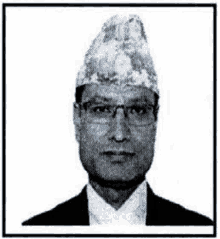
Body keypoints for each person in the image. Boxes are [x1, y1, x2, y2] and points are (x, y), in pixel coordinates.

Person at [22, 14, 212, 226]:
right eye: (101, 109)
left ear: (155, 120)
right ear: (77, 119)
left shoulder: (198, 229)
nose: (120, 133)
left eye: (138, 110)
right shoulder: (34, 231)